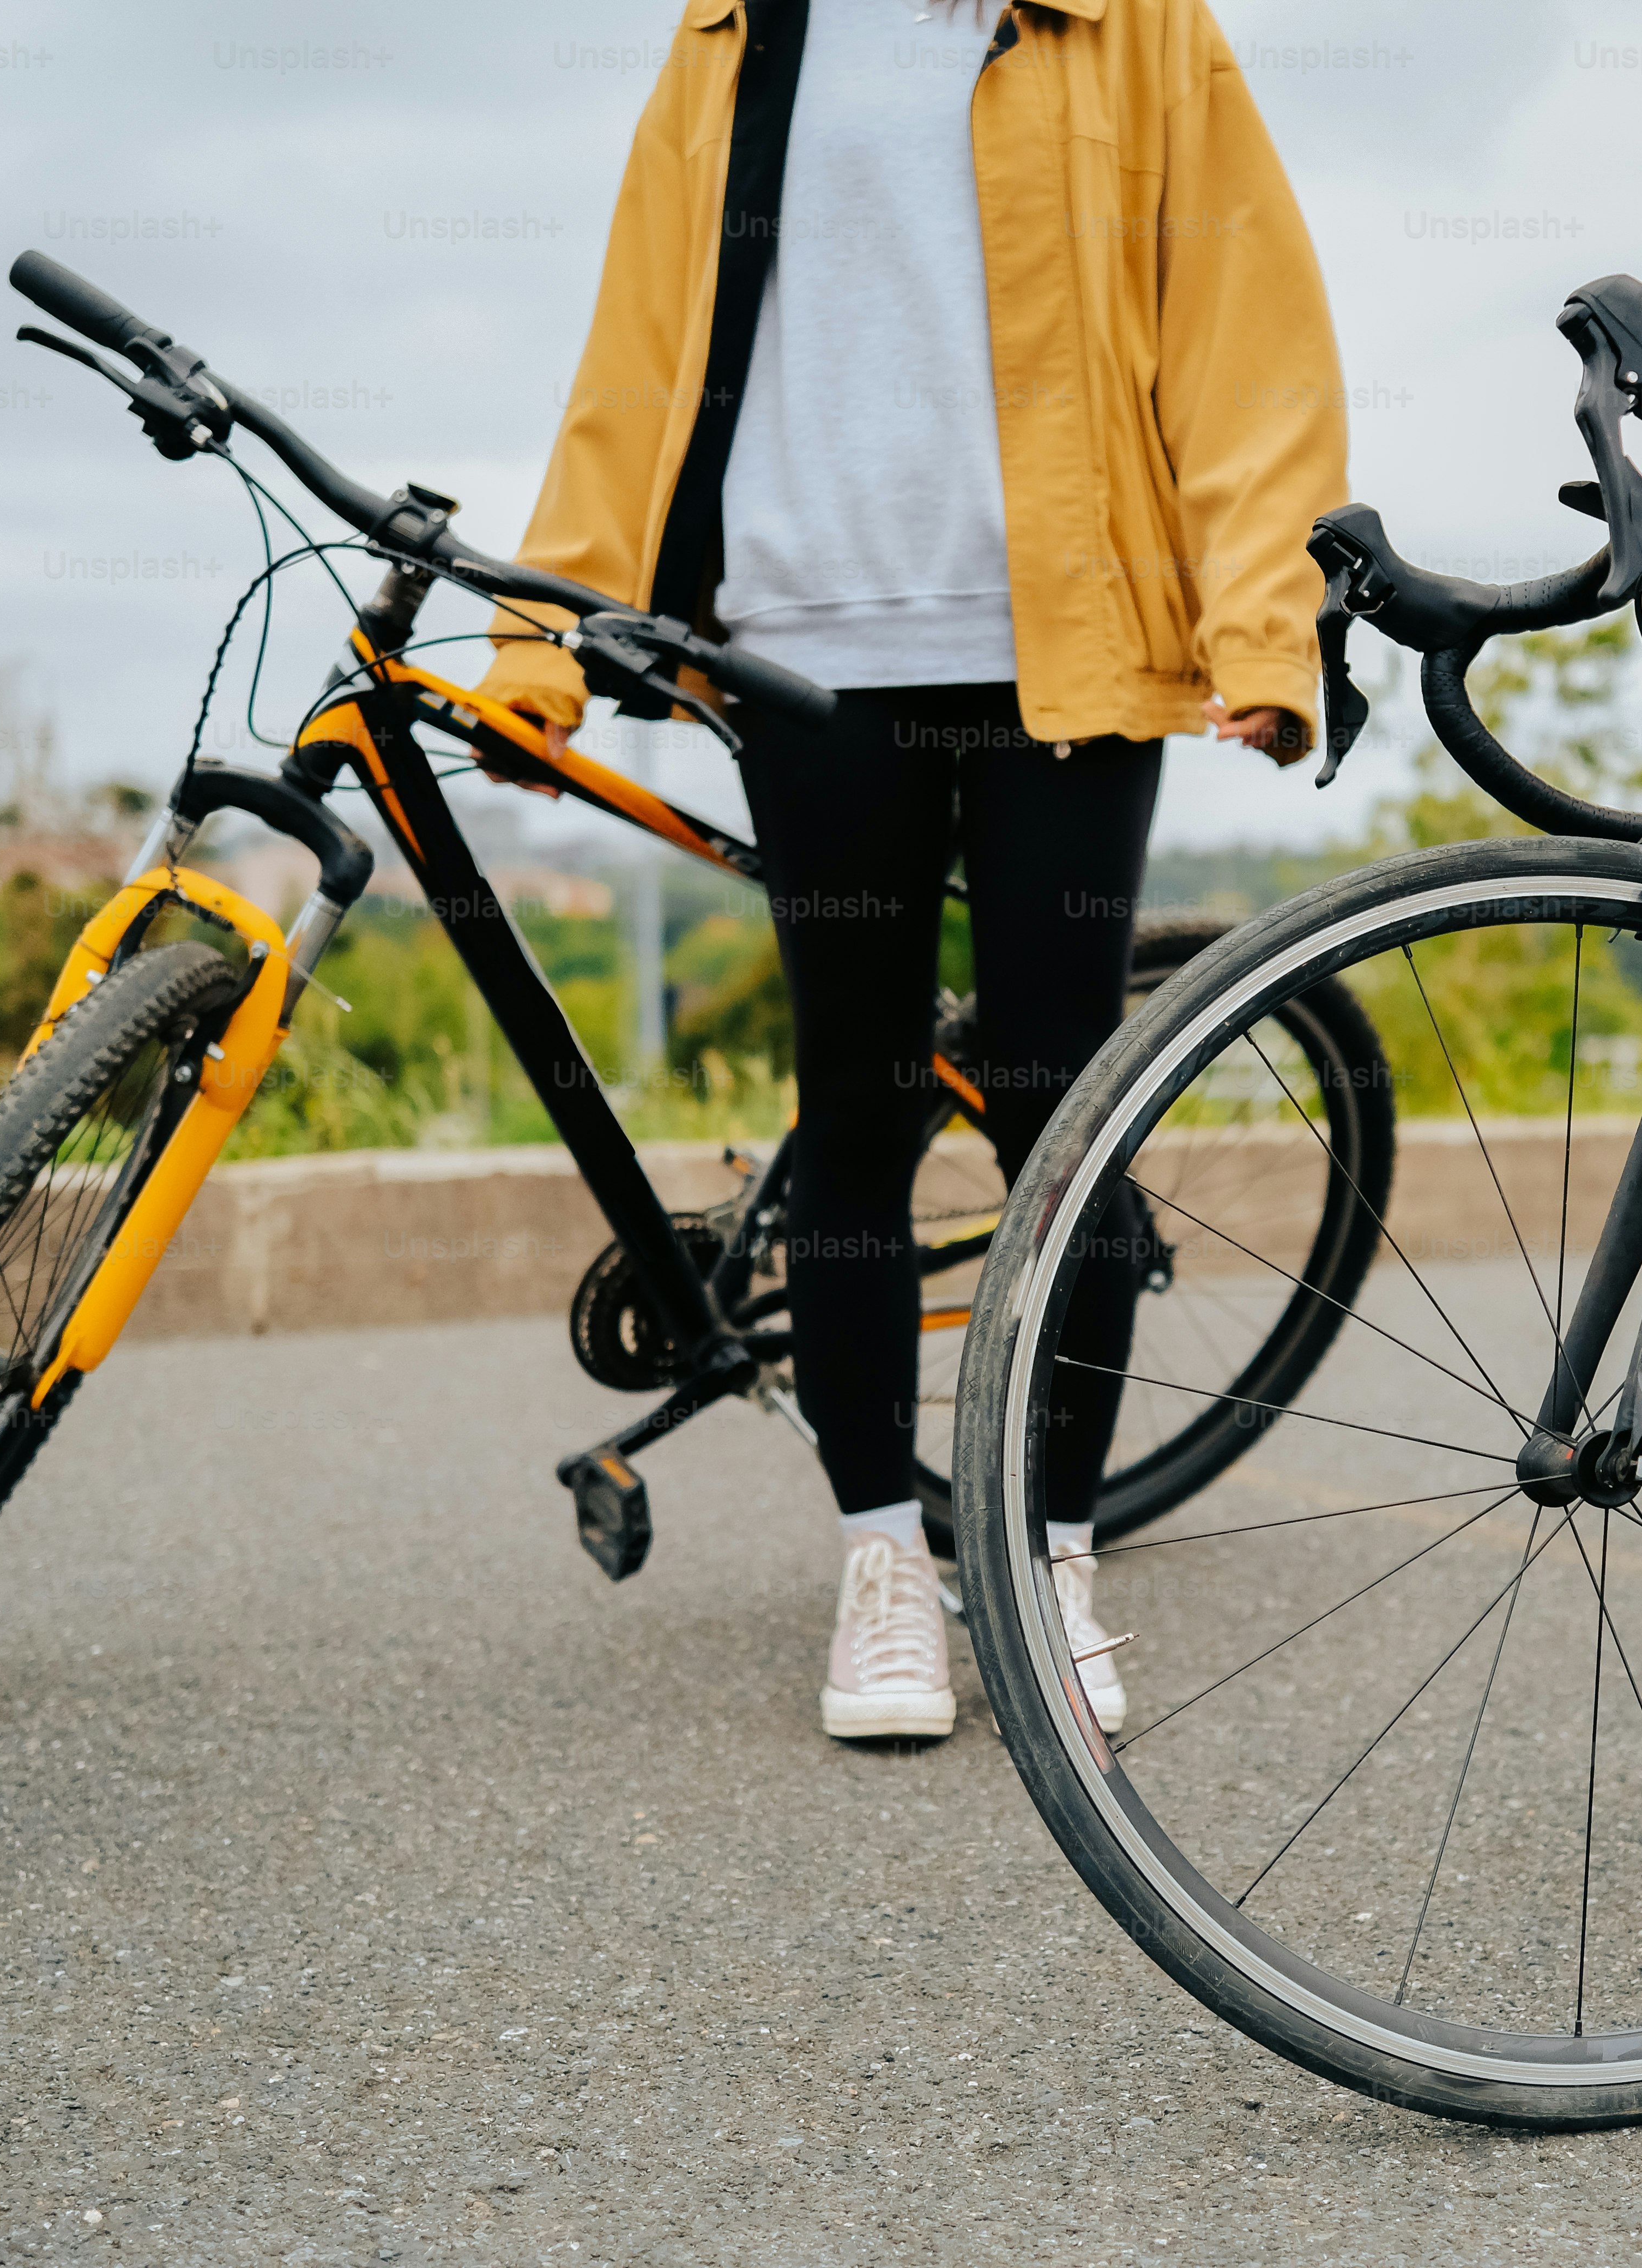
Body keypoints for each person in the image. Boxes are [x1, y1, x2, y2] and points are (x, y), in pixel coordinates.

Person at [476, 0, 1347, 1744]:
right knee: (859, 1116)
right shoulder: (739, 31)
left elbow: (1242, 327)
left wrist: (1267, 617)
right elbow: (636, 352)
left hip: (1071, 661)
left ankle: (1051, 1557)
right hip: (808, 659)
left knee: (1061, 1109)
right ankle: (885, 1554)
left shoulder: (1130, 23)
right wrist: (546, 628)